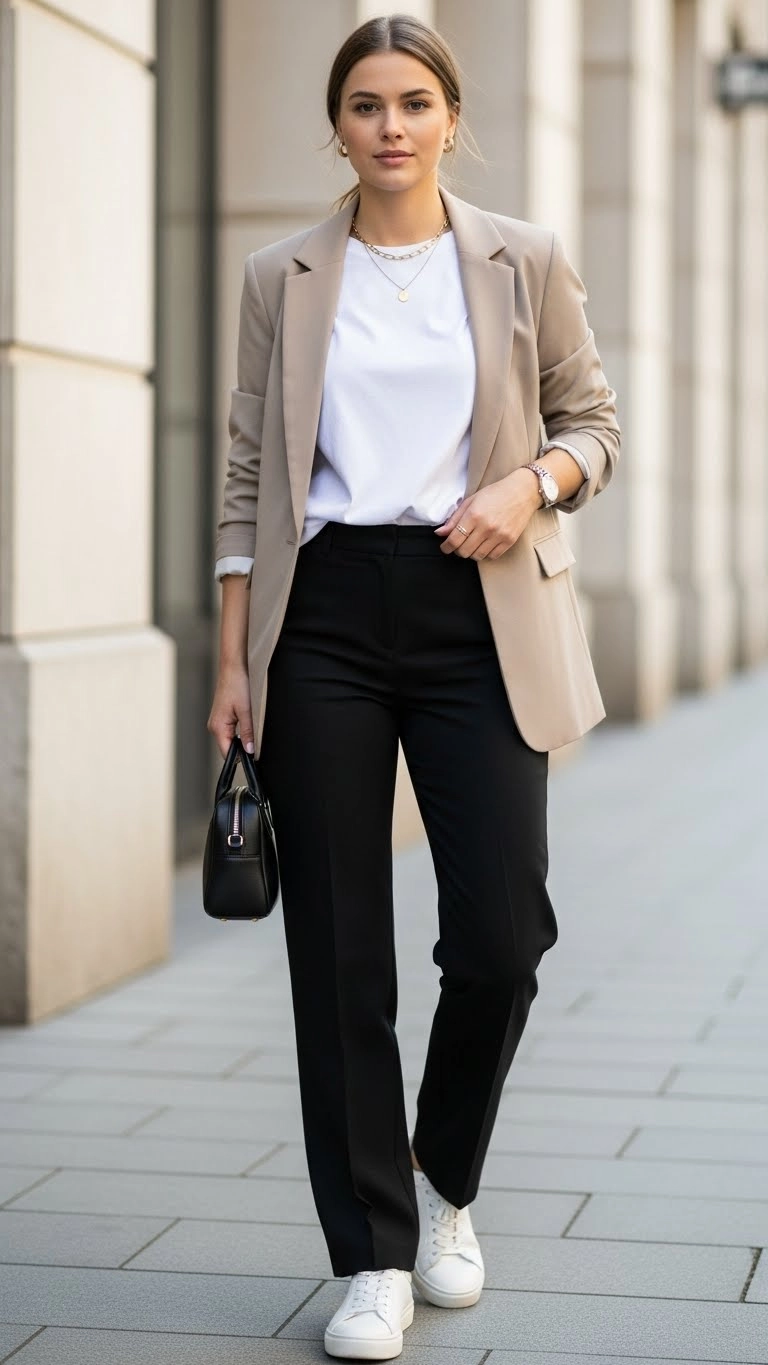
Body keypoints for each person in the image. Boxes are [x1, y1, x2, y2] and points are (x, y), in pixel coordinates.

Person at [208, 13, 620, 1361]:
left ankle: (445, 1177)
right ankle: (374, 1254)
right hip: (323, 616)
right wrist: (233, 661)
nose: (390, 125)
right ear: (338, 127)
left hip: (478, 609)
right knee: (337, 951)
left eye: (414, 102)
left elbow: (595, 424)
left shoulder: (522, 259)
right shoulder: (280, 275)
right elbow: (247, 478)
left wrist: (529, 485)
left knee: (502, 935)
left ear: (451, 118)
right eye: (365, 104)